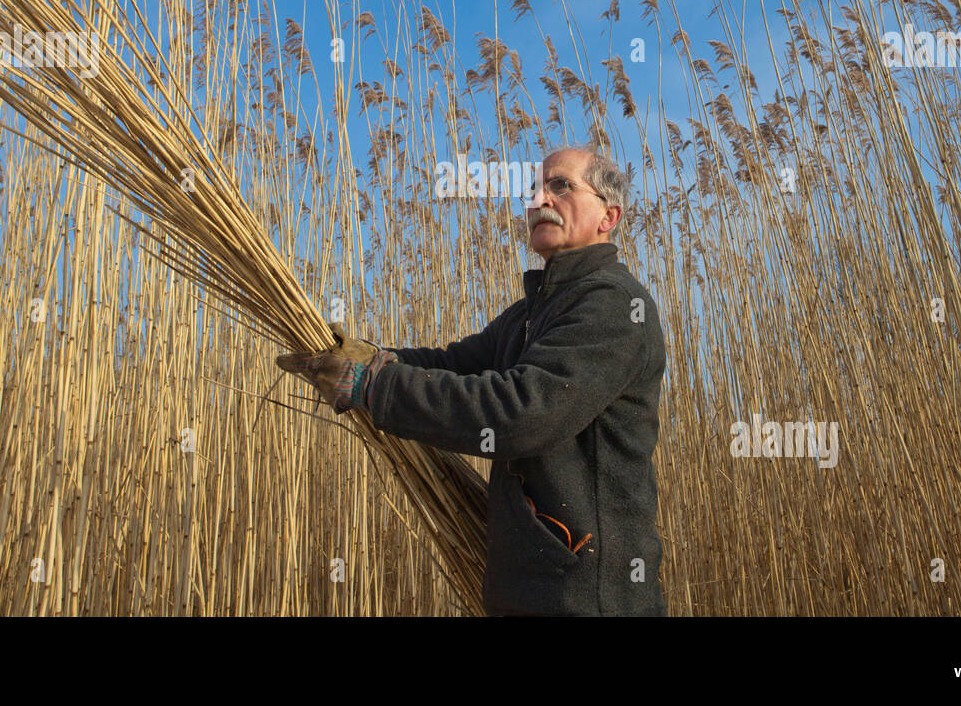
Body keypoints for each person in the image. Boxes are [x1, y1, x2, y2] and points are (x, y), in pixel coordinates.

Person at [276, 145, 668, 616]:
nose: (540, 198)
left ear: (609, 216)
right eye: (536, 188)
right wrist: (374, 357)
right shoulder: (531, 311)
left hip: (588, 597)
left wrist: (373, 385)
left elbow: (519, 414)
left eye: (560, 185)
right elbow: (456, 365)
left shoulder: (612, 305)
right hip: (535, 590)